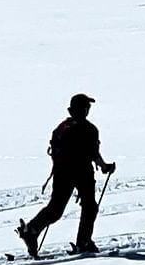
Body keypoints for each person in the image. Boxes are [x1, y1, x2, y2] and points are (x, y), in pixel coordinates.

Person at [17, 93, 116, 256]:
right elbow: (93, 153)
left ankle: (32, 230)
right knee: (90, 207)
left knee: (55, 209)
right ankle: (83, 242)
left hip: (62, 172)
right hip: (82, 172)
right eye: (86, 107)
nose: (88, 110)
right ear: (84, 109)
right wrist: (105, 167)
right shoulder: (89, 129)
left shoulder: (62, 127)